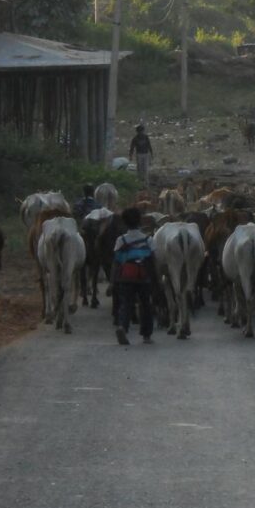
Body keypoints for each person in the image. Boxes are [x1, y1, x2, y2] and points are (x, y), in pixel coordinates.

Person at [111, 207, 155, 346]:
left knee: (126, 304)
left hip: (126, 276)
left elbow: (116, 261)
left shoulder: (121, 240)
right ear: (140, 221)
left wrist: (113, 281)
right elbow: (154, 259)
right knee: (146, 305)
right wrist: (156, 278)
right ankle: (146, 335)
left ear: (124, 222)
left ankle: (123, 327)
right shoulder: (148, 239)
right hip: (143, 276)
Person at [128, 124, 153, 189]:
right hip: (139, 154)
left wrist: (151, 154)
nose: (141, 132)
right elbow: (132, 148)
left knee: (145, 169)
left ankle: (146, 184)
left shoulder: (146, 137)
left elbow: (149, 146)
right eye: (140, 131)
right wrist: (130, 155)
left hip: (146, 154)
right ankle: (140, 184)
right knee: (139, 169)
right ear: (138, 132)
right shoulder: (135, 139)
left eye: (142, 131)